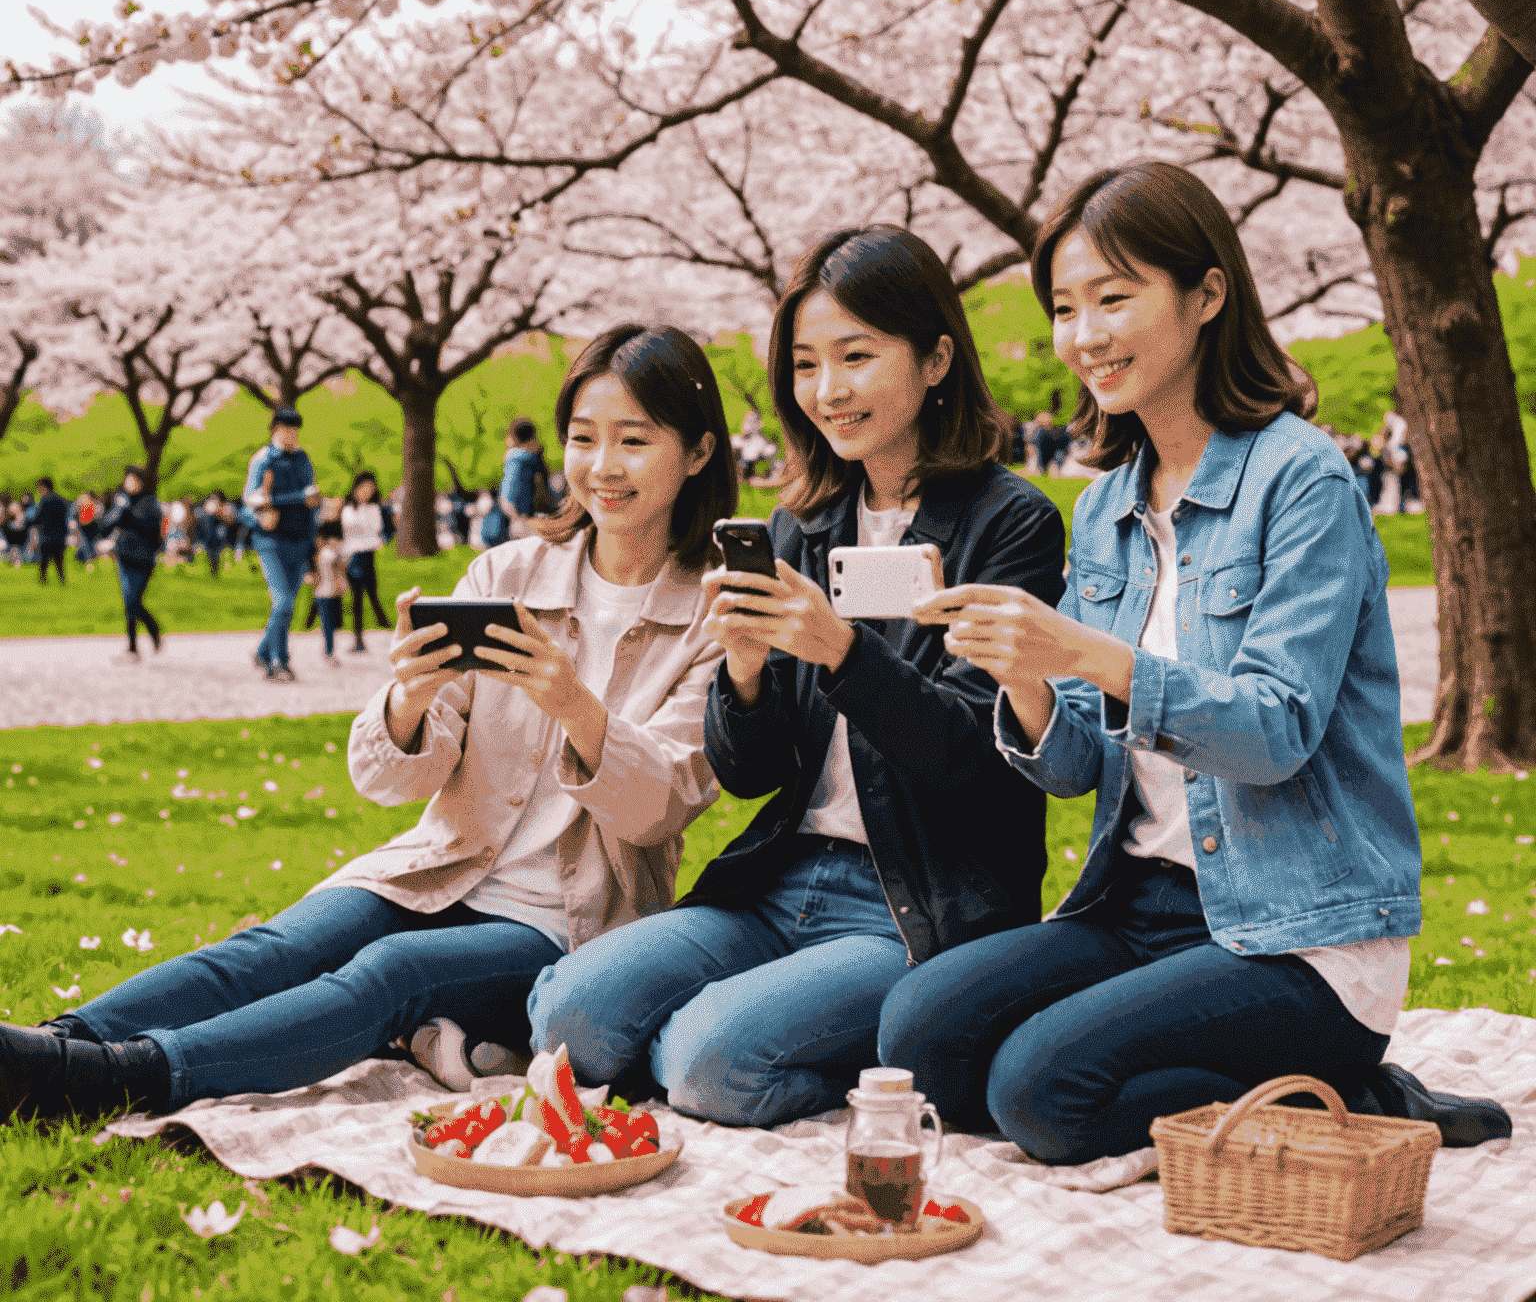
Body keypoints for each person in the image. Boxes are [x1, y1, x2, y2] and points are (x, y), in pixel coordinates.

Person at [876, 161, 1511, 1164]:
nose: (1085, 334)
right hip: (1138, 905)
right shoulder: (1105, 508)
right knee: (919, 1036)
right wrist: (1027, 676)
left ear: (1207, 294)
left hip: (1297, 930)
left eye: (1114, 297)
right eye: (1065, 306)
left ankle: (1345, 1088)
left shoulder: (1301, 478)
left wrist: (1092, 649)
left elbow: (1276, 733)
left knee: (1043, 1094)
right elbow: (1082, 765)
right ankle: (1299, 1089)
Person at [0, 323, 738, 1123]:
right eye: (583, 438)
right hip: (444, 865)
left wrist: (573, 704)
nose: (602, 467)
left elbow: (661, 804)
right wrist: (410, 700)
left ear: (697, 453)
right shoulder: (509, 572)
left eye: (633, 440)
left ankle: (124, 1078)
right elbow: (386, 780)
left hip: (571, 923)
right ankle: (54, 1047)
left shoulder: (715, 611)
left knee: (390, 972)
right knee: (278, 948)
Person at [528, 225, 1068, 1129]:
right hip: (781, 876)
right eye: (808, 364)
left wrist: (846, 655)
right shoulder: (804, 525)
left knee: (706, 1064)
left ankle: (885, 1063)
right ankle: (734, 1030)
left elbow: (980, 758)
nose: (829, 391)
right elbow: (750, 773)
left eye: (856, 357)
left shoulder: (1010, 525)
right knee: (567, 1013)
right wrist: (742, 680)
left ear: (936, 358)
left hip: (916, 904)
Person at [241, 406, 322, 682]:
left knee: (286, 606)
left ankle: (263, 652)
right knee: (283, 604)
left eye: (295, 429)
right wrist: (265, 514)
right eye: (287, 428)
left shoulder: (303, 460)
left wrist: (313, 550)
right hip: (271, 541)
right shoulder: (263, 460)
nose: (292, 434)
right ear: (275, 430)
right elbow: (249, 505)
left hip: (299, 540)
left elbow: (311, 507)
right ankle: (280, 662)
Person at [96, 466, 164, 662]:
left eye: (133, 479)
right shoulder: (122, 502)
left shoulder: (150, 504)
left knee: (133, 601)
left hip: (142, 559)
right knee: (129, 603)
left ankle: (152, 628)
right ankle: (132, 649)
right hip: (125, 557)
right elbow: (107, 524)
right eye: (128, 479)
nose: (129, 483)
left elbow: (148, 527)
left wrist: (125, 512)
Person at [342, 471, 394, 652]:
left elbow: (383, 532)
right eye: (364, 488)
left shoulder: (376, 509)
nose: (367, 492)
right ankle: (360, 636)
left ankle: (378, 628)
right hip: (350, 556)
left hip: (367, 555)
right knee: (358, 596)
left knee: (370, 593)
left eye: (370, 489)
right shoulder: (347, 508)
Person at [311, 517, 346, 667]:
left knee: (329, 625)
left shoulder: (323, 553)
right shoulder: (329, 552)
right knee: (330, 625)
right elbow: (339, 569)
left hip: (323, 593)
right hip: (329, 593)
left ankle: (328, 651)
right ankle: (329, 652)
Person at [30, 477, 70, 585]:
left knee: (43, 562)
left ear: (43, 487)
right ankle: (62, 580)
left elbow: (38, 518)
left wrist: (28, 522)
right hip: (60, 537)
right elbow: (65, 518)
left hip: (47, 536)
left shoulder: (44, 500)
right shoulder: (62, 501)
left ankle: (43, 581)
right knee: (59, 562)